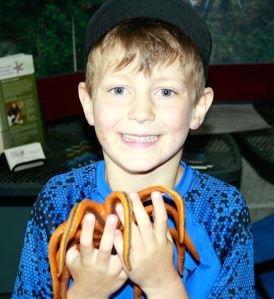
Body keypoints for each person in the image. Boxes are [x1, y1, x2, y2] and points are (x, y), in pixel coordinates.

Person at [12, 0, 254, 298]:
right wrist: (87, 292)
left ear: (198, 108)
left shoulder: (223, 210)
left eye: (166, 91)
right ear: (88, 102)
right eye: (119, 90)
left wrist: (163, 285)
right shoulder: (58, 200)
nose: (141, 112)